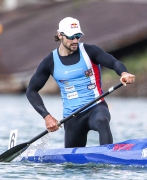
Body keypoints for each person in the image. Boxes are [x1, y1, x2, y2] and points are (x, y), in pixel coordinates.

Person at [26, 17, 135, 148]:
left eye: (78, 36)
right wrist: (47, 117)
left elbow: (113, 62)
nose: (76, 40)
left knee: (102, 120)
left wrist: (124, 73)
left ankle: (108, 158)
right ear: (60, 35)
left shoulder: (90, 51)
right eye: (72, 36)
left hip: (96, 107)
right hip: (71, 117)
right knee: (72, 165)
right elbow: (31, 91)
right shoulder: (50, 61)